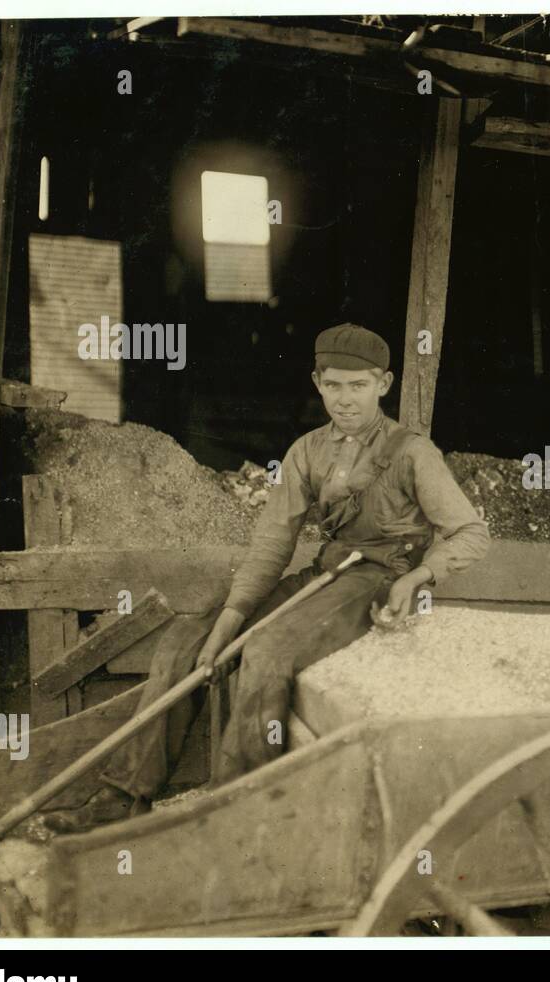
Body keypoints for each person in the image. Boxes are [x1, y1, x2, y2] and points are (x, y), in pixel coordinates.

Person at [46, 323, 490, 832]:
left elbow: (470, 533)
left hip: (377, 577)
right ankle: (125, 795)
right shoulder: (306, 451)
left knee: (268, 652)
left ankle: (238, 808)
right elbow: (272, 546)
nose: (345, 399)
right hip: (327, 568)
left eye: (359, 385)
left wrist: (420, 577)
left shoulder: (413, 453)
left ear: (383, 385)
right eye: (334, 385)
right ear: (318, 383)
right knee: (185, 641)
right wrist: (228, 619)